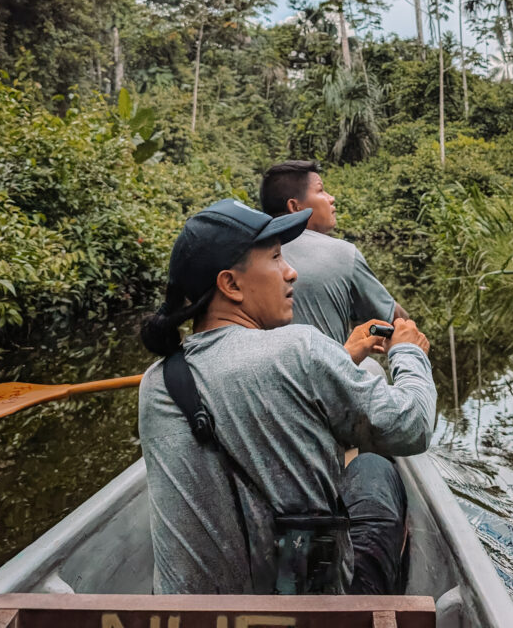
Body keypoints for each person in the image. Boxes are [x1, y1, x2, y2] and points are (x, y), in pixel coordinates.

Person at [138, 198, 435, 596]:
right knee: (373, 471)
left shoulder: (158, 381)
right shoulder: (300, 349)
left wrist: (341, 359)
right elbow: (412, 427)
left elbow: (251, 395)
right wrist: (407, 352)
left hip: (195, 620)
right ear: (230, 284)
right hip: (310, 617)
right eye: (276, 258)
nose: (291, 272)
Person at [259, 160, 410, 353]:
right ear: (295, 207)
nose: (331, 198)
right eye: (321, 191)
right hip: (328, 377)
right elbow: (396, 320)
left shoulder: (247, 256)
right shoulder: (342, 253)